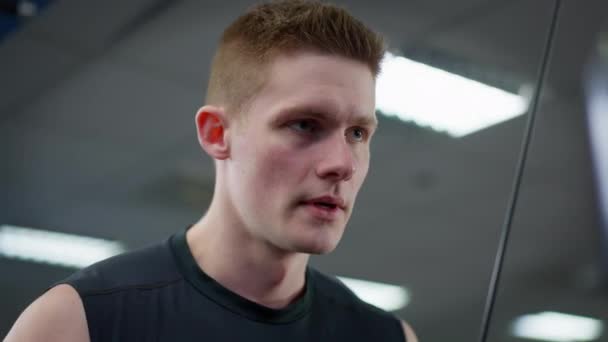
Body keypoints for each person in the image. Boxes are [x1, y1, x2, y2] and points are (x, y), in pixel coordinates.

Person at [5, 1, 418, 341]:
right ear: (218, 133)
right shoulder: (76, 322)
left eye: (358, 133)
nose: (342, 164)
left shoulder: (387, 336)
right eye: (304, 125)